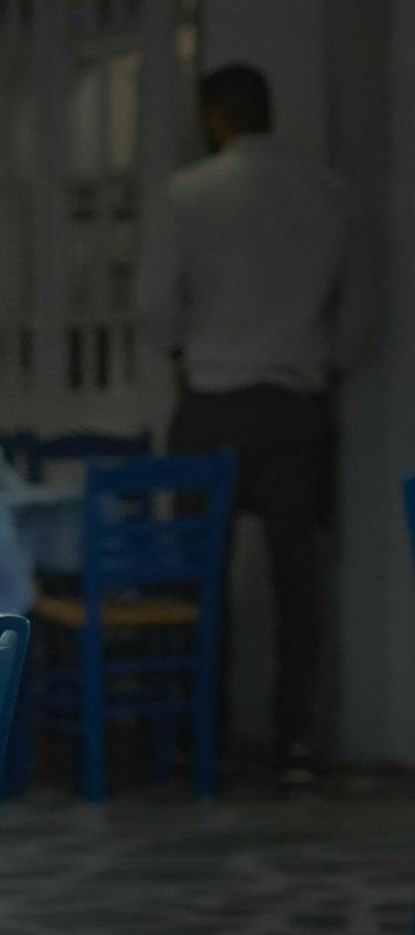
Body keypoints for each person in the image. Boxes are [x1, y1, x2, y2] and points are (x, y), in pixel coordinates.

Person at [134, 63, 370, 783]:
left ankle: (198, 729)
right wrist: (320, 364)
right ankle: (295, 737)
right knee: (298, 577)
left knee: (197, 571)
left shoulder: (189, 193)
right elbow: (358, 315)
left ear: (214, 117)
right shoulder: (330, 194)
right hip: (295, 402)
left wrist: (180, 350)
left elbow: (151, 303)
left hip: (213, 399)